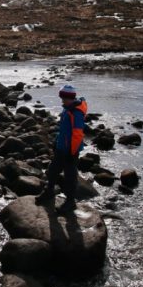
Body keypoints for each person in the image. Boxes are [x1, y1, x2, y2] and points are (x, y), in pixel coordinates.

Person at [38, 84, 88, 214]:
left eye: (64, 98)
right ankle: (49, 191)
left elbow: (77, 134)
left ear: (70, 97)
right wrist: (57, 141)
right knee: (52, 170)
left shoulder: (76, 112)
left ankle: (70, 202)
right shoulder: (68, 109)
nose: (62, 100)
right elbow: (64, 130)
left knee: (69, 176)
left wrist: (72, 152)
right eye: (62, 97)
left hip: (71, 150)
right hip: (62, 147)